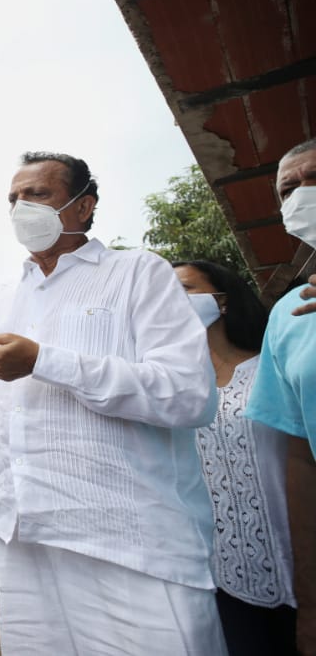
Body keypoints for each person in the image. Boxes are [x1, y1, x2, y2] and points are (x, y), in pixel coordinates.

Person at [0, 151, 226, 656]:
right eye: (12, 199)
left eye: (36, 194)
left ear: (84, 207)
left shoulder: (138, 273)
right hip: (26, 540)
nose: (20, 207)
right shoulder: (1, 296)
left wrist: (45, 361)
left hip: (129, 540)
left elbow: (190, 395)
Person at [172, 259, 296, 654]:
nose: (173, 301)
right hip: (217, 579)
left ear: (222, 300)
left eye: (185, 289)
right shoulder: (170, 393)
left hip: (299, 562)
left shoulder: (273, 368)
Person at [245, 137, 316, 655]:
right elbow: (298, 458)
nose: (301, 195)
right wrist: (309, 605)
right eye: (288, 189)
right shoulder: (287, 313)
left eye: (313, 180)